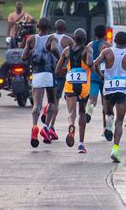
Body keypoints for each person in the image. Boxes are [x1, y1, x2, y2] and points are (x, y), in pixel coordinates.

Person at [93, 31, 126, 163]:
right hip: (122, 89)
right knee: (120, 121)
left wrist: (101, 75)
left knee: (109, 113)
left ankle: (108, 123)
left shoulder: (106, 52)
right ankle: (115, 149)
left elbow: (95, 64)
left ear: (114, 41)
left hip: (108, 87)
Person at [22, 18, 59, 147]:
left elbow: (23, 56)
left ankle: (34, 128)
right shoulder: (52, 38)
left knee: (36, 105)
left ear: (37, 27)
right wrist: (59, 58)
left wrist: (33, 53)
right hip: (49, 73)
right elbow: (54, 48)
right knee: (52, 102)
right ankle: (46, 127)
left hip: (36, 74)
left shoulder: (31, 39)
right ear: (49, 27)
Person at [56, 28, 92, 153]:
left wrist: (68, 69)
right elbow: (90, 62)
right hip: (83, 86)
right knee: (82, 112)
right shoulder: (87, 50)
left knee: (72, 112)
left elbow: (57, 70)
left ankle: (71, 126)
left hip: (70, 84)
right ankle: (81, 144)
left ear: (73, 39)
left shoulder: (67, 50)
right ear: (85, 39)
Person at [40, 20, 74, 137]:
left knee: (50, 97)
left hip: (48, 70)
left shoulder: (49, 37)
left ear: (55, 27)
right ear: (65, 28)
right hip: (61, 72)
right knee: (56, 101)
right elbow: (73, 55)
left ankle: (46, 110)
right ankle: (51, 125)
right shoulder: (68, 40)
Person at [86, 25, 111, 124]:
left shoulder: (90, 45)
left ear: (95, 34)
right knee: (105, 102)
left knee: (92, 99)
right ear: (105, 34)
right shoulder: (108, 46)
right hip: (105, 75)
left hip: (94, 74)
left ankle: (89, 111)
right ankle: (105, 127)